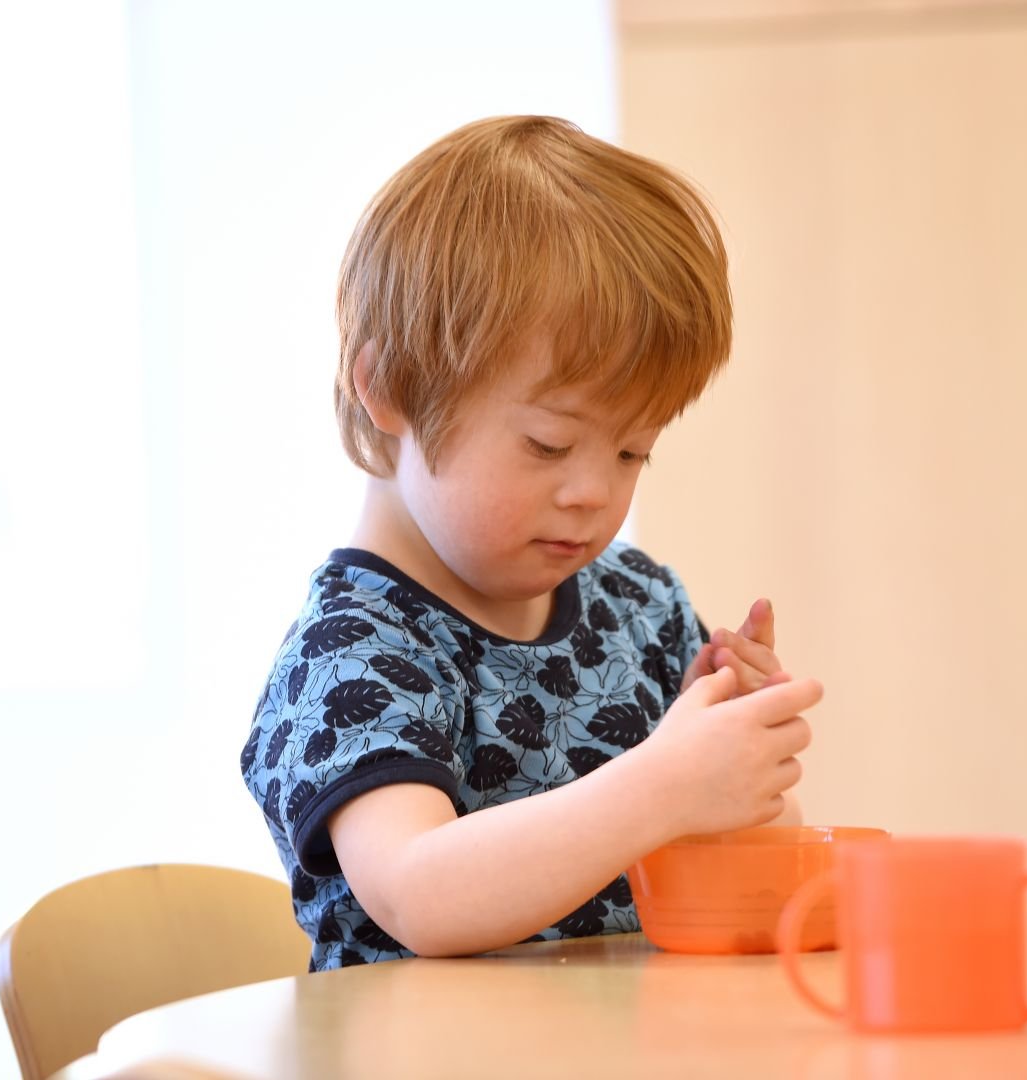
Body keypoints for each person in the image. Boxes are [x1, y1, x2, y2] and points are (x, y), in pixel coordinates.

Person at [241, 115, 820, 970]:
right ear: (388, 387)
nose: (594, 491)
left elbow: (747, 873)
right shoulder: (354, 652)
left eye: (632, 451)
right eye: (548, 444)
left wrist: (734, 767)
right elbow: (418, 893)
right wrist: (664, 783)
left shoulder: (641, 608)